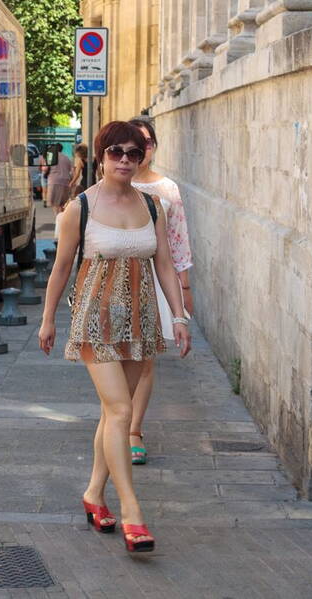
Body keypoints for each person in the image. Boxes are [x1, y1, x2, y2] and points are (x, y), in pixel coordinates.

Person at [38, 121, 191, 553]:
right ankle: (132, 512)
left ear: (143, 158)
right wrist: (47, 319)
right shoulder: (78, 209)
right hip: (95, 321)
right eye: (116, 152)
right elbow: (61, 269)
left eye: (134, 153)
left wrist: (179, 318)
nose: (125, 160)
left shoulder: (153, 205)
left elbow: (164, 263)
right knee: (121, 411)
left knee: (112, 415)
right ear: (101, 157)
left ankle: (92, 494)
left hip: (140, 321)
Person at [127, 117, 194, 464]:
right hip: (120, 280)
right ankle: (117, 418)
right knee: (120, 356)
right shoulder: (111, 184)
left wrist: (184, 290)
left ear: (153, 147)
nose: (141, 150)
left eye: (148, 142)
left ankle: (134, 429)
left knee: (146, 360)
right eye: (134, 143)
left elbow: (178, 242)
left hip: (157, 278)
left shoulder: (167, 189)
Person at [46, 146, 73, 216]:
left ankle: (58, 218)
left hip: (54, 181)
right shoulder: (67, 158)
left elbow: (46, 168)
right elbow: (71, 171)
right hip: (65, 182)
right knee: (62, 204)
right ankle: (61, 218)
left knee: (54, 203)